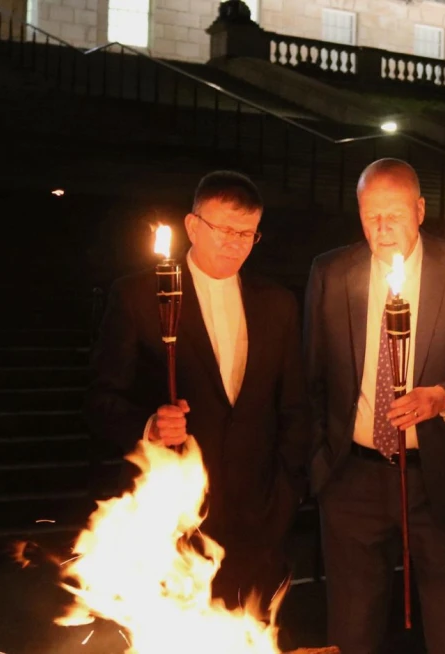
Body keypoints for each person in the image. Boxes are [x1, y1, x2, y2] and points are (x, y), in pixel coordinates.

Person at [304, 158, 445, 654]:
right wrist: (321, 468)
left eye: (393, 213)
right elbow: (310, 376)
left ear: (420, 210)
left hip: (436, 475)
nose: (381, 227)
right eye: (370, 215)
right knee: (351, 632)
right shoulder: (331, 271)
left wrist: (442, 397)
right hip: (352, 476)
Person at [87, 170, 308, 614]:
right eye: (224, 229)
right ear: (192, 226)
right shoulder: (138, 296)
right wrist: (147, 425)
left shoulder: (277, 303)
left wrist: (285, 492)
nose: (235, 243)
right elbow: (100, 400)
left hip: (256, 518)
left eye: (247, 233)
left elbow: (295, 406)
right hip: (170, 515)